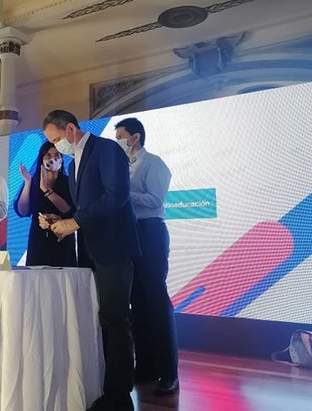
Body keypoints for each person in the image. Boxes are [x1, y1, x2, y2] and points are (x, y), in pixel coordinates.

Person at [40, 109, 140, 411]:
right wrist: (63, 220)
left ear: (71, 129)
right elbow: (85, 208)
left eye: (56, 140)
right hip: (89, 250)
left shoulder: (106, 149)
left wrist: (76, 222)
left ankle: (119, 395)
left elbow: (116, 195)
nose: (56, 147)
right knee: (96, 319)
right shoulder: (74, 162)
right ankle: (100, 385)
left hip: (113, 247)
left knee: (115, 319)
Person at [115, 117, 179, 395]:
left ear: (135, 137)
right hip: (129, 233)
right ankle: (145, 368)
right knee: (137, 302)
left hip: (150, 231)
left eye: (121, 136)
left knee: (156, 300)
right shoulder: (121, 165)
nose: (118, 141)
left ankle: (169, 372)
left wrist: (124, 194)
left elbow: (155, 200)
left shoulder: (154, 163)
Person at [14, 141, 77, 267]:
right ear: (41, 159)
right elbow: (23, 211)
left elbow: (70, 210)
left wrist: (47, 191)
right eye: (48, 155)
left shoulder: (69, 181)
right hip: (38, 241)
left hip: (63, 239)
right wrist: (27, 182)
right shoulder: (33, 181)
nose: (52, 159)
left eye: (57, 155)